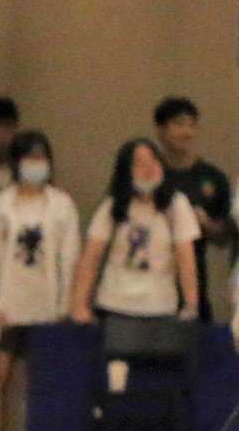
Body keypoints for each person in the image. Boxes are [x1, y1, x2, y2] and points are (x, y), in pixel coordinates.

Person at [0, 129, 78, 431]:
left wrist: (66, 305)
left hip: (47, 306)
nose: (36, 164)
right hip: (8, 304)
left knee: (42, 382)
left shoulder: (62, 205)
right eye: (29, 158)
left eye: (42, 157)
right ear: (17, 162)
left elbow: (70, 258)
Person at [71, 137, 202, 325]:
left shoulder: (176, 205)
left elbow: (186, 257)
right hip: (114, 304)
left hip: (161, 306)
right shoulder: (113, 205)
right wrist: (79, 304)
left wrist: (191, 305)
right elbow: (92, 255)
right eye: (140, 163)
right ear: (126, 171)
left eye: (154, 161)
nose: (149, 168)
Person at [153, 98, 232, 323]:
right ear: (160, 129)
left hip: (196, 280)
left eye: (191, 125)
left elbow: (224, 237)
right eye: (178, 124)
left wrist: (206, 223)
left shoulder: (212, 178)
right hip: (153, 281)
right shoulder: (151, 176)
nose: (186, 132)